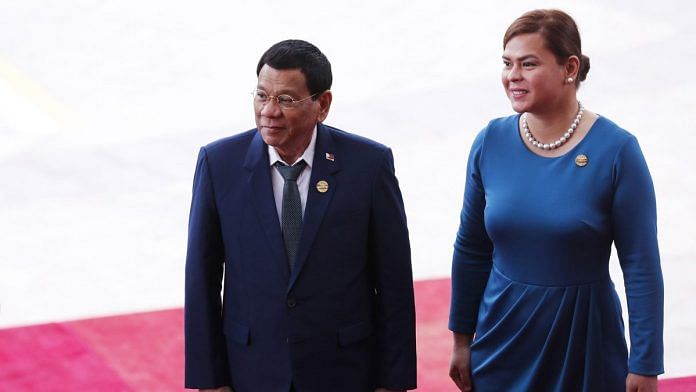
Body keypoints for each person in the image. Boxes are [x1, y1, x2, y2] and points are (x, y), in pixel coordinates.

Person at [448, 9, 664, 392]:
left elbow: (641, 265)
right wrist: (462, 339)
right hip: (502, 337)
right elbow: (471, 248)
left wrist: (645, 363)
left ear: (570, 67)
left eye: (528, 64)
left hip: (584, 339)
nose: (513, 75)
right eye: (507, 63)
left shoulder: (617, 151)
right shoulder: (490, 142)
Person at [184, 39, 417, 392]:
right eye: (262, 96)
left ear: (322, 104)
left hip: (344, 372)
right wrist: (209, 380)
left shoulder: (368, 166)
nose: (269, 111)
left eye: (286, 100)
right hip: (252, 370)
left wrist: (393, 382)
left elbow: (394, 282)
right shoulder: (220, 165)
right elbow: (201, 276)